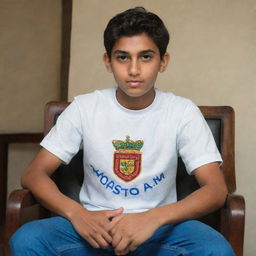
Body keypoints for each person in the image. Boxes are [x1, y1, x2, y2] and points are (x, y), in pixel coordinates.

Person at [10, 7, 235, 256]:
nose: (134, 69)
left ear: (163, 61)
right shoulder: (85, 107)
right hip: (95, 228)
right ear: (108, 61)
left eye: (146, 57)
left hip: (160, 229)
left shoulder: (182, 111)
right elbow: (33, 174)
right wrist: (77, 214)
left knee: (216, 249)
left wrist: (152, 219)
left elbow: (216, 190)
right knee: (27, 239)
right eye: (123, 57)